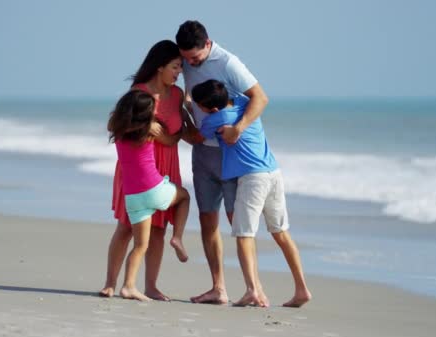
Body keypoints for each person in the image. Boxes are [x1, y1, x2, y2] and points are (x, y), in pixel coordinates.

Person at [192, 79, 312, 308]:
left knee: (244, 234)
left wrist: (186, 108)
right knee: (281, 233)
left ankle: (252, 291)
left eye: (200, 106)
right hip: (273, 172)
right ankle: (302, 288)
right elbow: (257, 96)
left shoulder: (215, 119)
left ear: (212, 109)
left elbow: (196, 138)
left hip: (252, 178)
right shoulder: (245, 103)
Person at [175, 19, 270, 305]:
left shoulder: (229, 64)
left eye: (194, 57)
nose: (189, 63)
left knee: (237, 221)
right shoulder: (186, 59)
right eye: (185, 57)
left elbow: (260, 98)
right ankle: (219, 288)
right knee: (207, 219)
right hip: (202, 153)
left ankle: (255, 289)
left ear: (207, 43)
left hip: (231, 154)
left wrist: (238, 128)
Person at [98, 40, 188, 301]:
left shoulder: (178, 95)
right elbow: (124, 124)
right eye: (175, 67)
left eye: (180, 68)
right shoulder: (139, 92)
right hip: (139, 167)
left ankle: (150, 285)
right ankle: (110, 283)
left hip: (167, 162)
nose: (178, 72)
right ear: (159, 67)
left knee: (158, 229)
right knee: (126, 227)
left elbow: (181, 128)